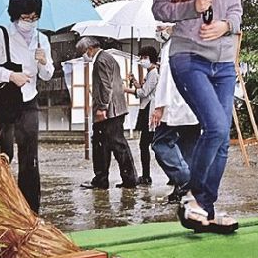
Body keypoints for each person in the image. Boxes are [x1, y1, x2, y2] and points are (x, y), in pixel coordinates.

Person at [152, 0, 242, 234]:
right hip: (189, 56)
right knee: (216, 127)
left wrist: (226, 25)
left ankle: (204, 207)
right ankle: (193, 196)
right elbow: (160, 8)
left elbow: (235, 9)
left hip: (223, 59)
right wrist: (193, 5)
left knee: (222, 139)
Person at [0, 0, 53, 214]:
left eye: (34, 18)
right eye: (25, 17)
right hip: (5, 102)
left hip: (29, 99)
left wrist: (44, 62)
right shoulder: (0, 34)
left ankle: (30, 208)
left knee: (30, 156)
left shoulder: (42, 39)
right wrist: (11, 75)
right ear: (15, 16)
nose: (30, 22)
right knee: (3, 153)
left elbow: (48, 75)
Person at [76, 36, 137, 190]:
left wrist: (102, 107)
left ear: (89, 49)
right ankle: (111, 178)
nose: (84, 56)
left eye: (83, 52)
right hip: (116, 108)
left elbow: (105, 86)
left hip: (109, 110)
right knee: (107, 144)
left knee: (110, 144)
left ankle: (112, 179)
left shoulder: (100, 61)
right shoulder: (109, 58)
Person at [150, 26, 200, 203]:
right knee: (189, 147)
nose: (158, 31)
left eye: (160, 27)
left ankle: (186, 181)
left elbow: (167, 78)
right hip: (194, 105)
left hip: (175, 104)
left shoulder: (172, 45)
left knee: (160, 144)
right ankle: (187, 191)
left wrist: (159, 106)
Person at [124, 46, 159, 186]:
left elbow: (144, 93)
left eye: (144, 57)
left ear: (151, 58)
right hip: (145, 108)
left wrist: (126, 90)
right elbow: (143, 89)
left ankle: (146, 176)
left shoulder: (154, 73)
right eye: (141, 57)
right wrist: (135, 82)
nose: (142, 60)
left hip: (149, 110)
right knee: (145, 144)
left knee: (145, 144)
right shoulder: (149, 73)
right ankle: (146, 175)